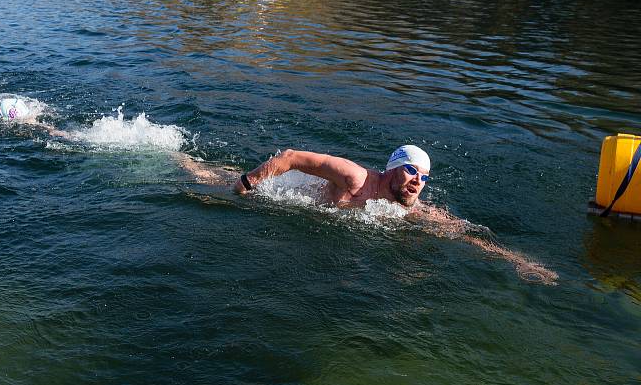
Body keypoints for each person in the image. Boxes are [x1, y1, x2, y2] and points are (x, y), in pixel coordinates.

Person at [231, 145, 558, 284]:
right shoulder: (356, 179)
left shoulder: (412, 211)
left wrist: (517, 260)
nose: (418, 181)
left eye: (425, 176)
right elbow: (290, 157)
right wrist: (248, 183)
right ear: (392, 168)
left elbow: (465, 234)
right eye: (412, 170)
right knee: (211, 179)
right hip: (284, 194)